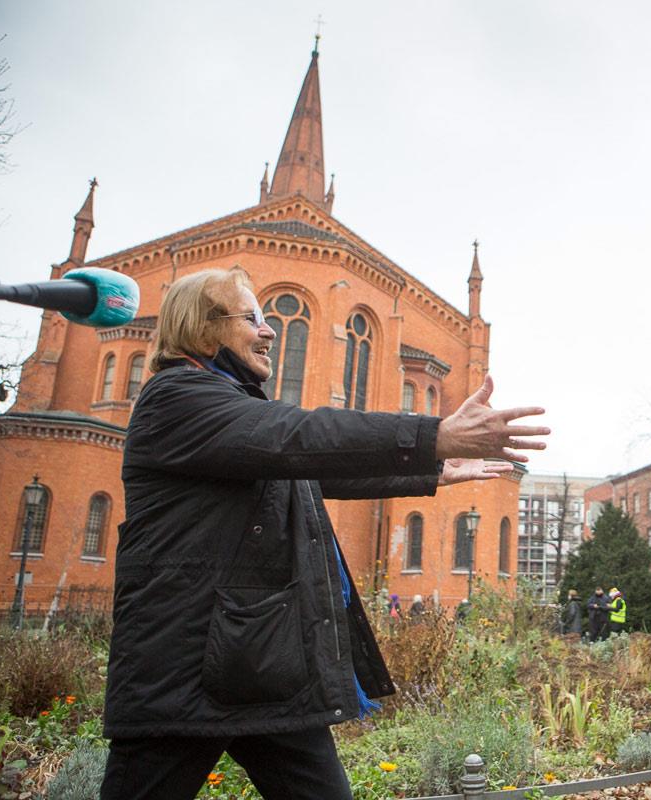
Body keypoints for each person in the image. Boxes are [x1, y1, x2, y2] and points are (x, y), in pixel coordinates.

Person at [100, 268, 549, 800]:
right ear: (202, 328)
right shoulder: (178, 398)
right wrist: (435, 434)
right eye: (252, 318)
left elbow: (310, 465)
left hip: (258, 663)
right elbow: (300, 436)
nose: (269, 332)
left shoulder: (231, 406)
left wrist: (430, 468)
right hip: (181, 670)